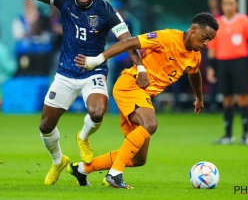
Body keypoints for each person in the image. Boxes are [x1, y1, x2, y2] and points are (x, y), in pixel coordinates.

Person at [0, 0, 149, 185]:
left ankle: (82, 137)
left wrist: (141, 68)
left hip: (93, 72)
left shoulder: (106, 10)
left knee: (97, 112)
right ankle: (58, 161)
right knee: (45, 125)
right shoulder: (64, 1)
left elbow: (129, 41)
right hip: (65, 74)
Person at [70, 12, 219, 188]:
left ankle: (81, 169)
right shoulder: (167, 38)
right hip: (130, 85)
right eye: (205, 37)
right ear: (193, 29)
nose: (206, 43)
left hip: (142, 95)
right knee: (150, 124)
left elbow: (195, 74)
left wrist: (199, 98)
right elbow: (129, 42)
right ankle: (114, 175)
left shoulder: (194, 56)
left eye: (209, 40)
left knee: (138, 158)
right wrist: (97, 60)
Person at [207, 0, 248, 145]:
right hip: (223, 63)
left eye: (231, 3)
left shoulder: (245, 21)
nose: (228, 6)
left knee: (243, 96)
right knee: (227, 97)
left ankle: (245, 134)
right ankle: (228, 135)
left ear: (236, 4)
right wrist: (211, 67)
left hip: (240, 62)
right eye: (225, 3)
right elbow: (212, 48)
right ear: (221, 5)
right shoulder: (216, 23)